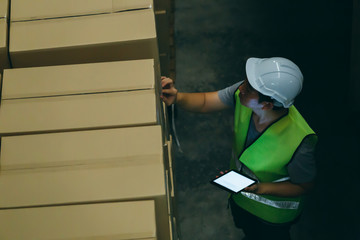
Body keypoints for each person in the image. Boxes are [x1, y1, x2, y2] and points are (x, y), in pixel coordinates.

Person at [161, 57, 318, 240]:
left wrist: (260, 188)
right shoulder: (245, 95)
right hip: (241, 198)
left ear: (267, 104)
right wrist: (177, 97)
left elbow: (304, 185)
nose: (241, 88)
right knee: (248, 232)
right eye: (246, 82)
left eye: (249, 89)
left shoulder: (299, 142)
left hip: (273, 218)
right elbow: (205, 101)